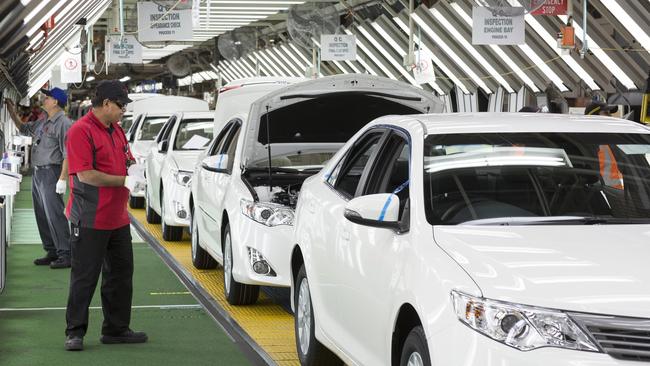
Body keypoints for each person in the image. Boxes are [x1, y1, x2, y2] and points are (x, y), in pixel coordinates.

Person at [63, 80, 147, 351]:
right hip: (90, 217)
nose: (124, 110)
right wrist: (124, 181)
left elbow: (127, 157)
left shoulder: (117, 131)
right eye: (121, 105)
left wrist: (133, 169)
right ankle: (74, 332)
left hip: (117, 218)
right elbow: (86, 175)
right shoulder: (80, 131)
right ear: (107, 104)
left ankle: (116, 329)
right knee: (85, 276)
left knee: (121, 276)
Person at [4, 88, 72, 269]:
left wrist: (62, 179)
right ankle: (52, 250)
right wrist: (11, 112)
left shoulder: (63, 123)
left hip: (52, 172)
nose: (44, 99)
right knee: (42, 214)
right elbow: (24, 129)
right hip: (38, 172)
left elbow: (68, 154)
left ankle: (66, 253)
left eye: (47, 97)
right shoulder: (44, 122)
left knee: (55, 214)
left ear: (56, 102)